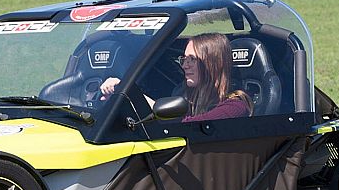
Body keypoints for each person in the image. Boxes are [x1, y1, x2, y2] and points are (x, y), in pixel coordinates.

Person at [99, 32, 252, 122]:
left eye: (192, 59)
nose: (185, 65)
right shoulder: (184, 95)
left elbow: (188, 126)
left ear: (214, 63)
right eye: (184, 59)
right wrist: (117, 100)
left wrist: (131, 93)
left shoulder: (236, 106)